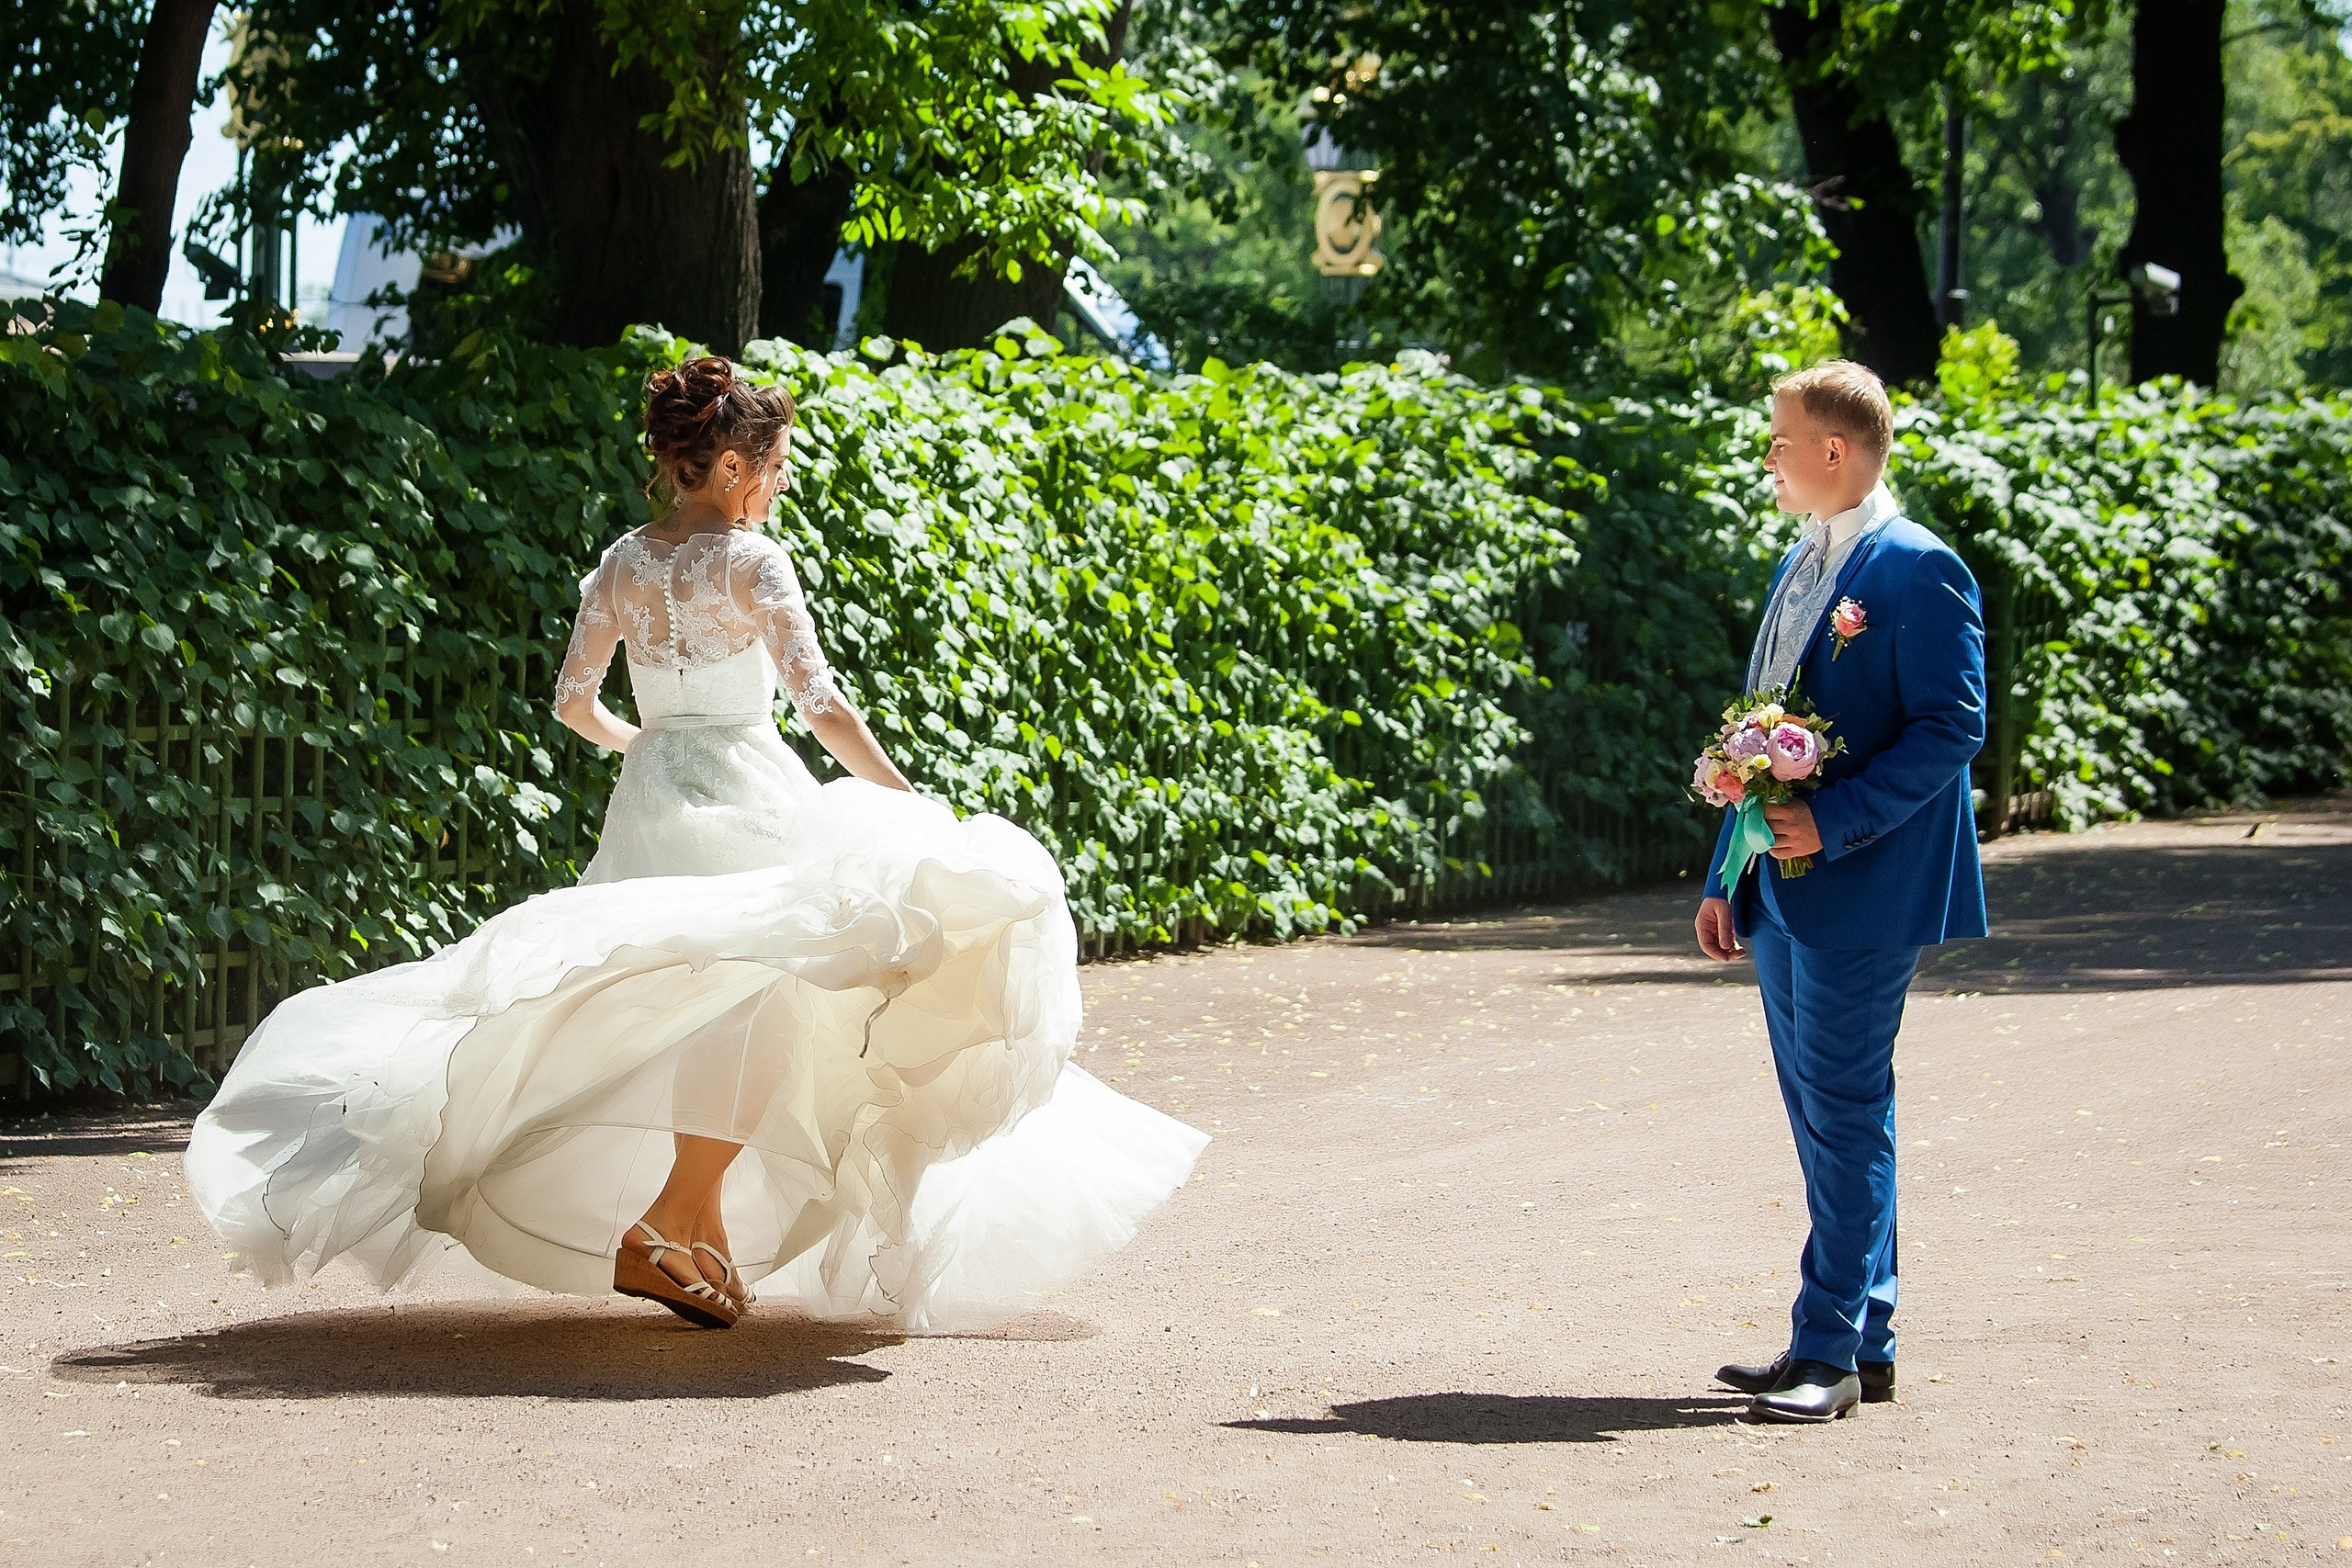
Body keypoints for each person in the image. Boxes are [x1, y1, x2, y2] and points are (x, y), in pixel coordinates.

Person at [186, 355, 1207, 1331]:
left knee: (689, 997)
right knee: (762, 990)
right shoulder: (752, 560)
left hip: (652, 798)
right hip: (747, 788)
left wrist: (649, 748)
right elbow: (822, 706)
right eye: (772, 468)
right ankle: (676, 1217)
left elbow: (572, 703)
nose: (777, 486)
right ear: (729, 466)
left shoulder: (619, 565)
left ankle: (696, 1232)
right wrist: (905, 797)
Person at [1693, 360, 1987, 1422]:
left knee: (1847, 1112)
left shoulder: (1920, 569)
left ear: (1833, 452)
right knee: (1827, 1116)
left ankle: (1823, 1351)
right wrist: (1730, 869)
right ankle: (1866, 1339)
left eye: (1780, 440)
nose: (1767, 457)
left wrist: (1835, 819)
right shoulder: (1799, 557)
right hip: (1777, 890)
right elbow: (1762, 729)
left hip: (1867, 888)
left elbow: (1954, 728)